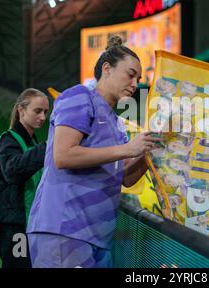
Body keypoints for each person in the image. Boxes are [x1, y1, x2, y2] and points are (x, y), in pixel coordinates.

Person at [26, 36, 161, 268]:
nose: (135, 83)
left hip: (97, 238)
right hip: (64, 231)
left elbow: (126, 178)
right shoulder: (79, 96)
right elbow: (63, 155)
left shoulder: (117, 123)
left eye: (138, 79)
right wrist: (128, 149)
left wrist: (151, 150)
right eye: (130, 74)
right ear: (107, 69)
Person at [0, 88, 49, 268]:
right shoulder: (8, 140)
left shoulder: (30, 141)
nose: (43, 117)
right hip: (14, 226)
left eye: (45, 112)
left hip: (25, 223)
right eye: (37, 111)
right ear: (21, 110)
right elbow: (13, 171)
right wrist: (49, 146)